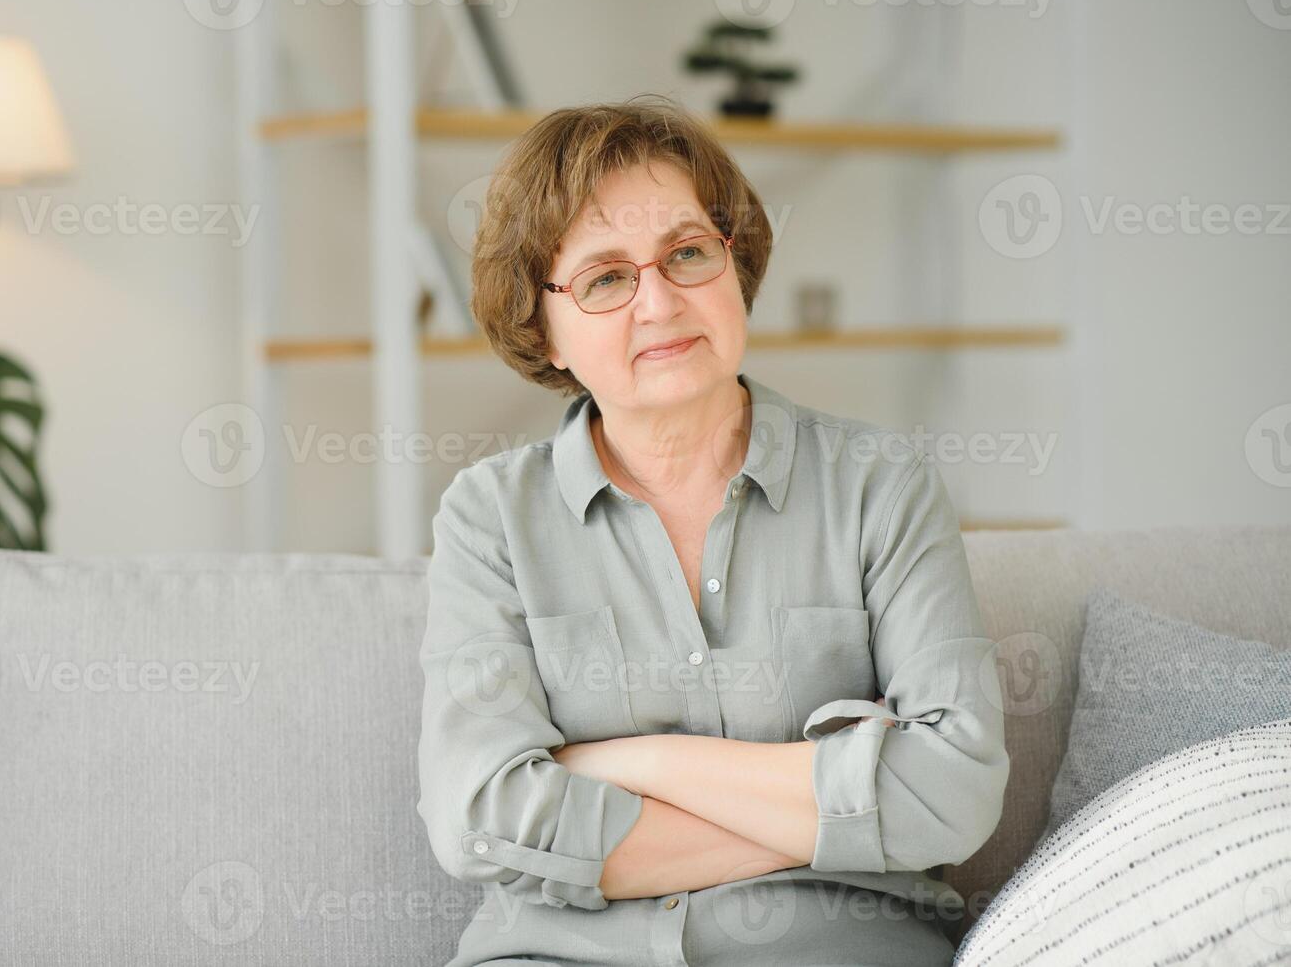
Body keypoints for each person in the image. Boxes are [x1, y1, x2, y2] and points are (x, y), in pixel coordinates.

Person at [415, 95, 1008, 967]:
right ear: (543, 327)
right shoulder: (489, 518)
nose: (659, 302)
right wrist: (842, 817)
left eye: (687, 253)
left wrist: (636, 761)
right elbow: (478, 820)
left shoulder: (882, 487)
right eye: (606, 277)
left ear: (735, 269)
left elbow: (955, 793)